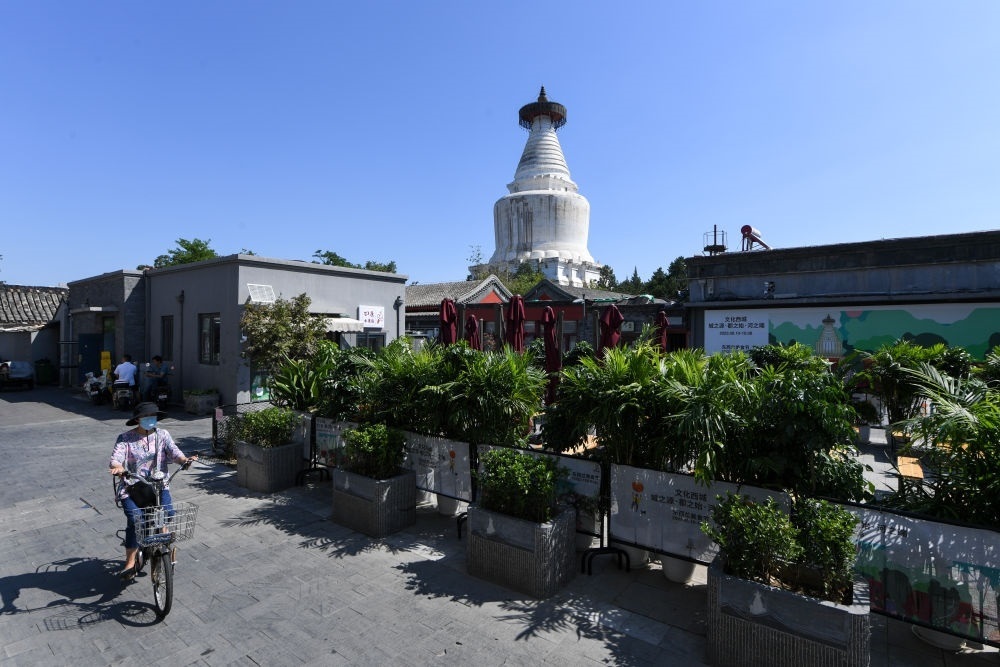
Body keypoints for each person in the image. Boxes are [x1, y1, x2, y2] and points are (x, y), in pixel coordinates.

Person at [108, 402, 197, 581]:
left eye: (153, 416)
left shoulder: (163, 435)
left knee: (168, 512)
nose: (150, 420)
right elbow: (115, 458)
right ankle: (130, 563)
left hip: (158, 486)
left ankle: (163, 543)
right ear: (138, 419)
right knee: (136, 520)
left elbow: (174, 452)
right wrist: (118, 467)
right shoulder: (125, 438)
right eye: (146, 417)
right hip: (132, 488)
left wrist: (184, 460)